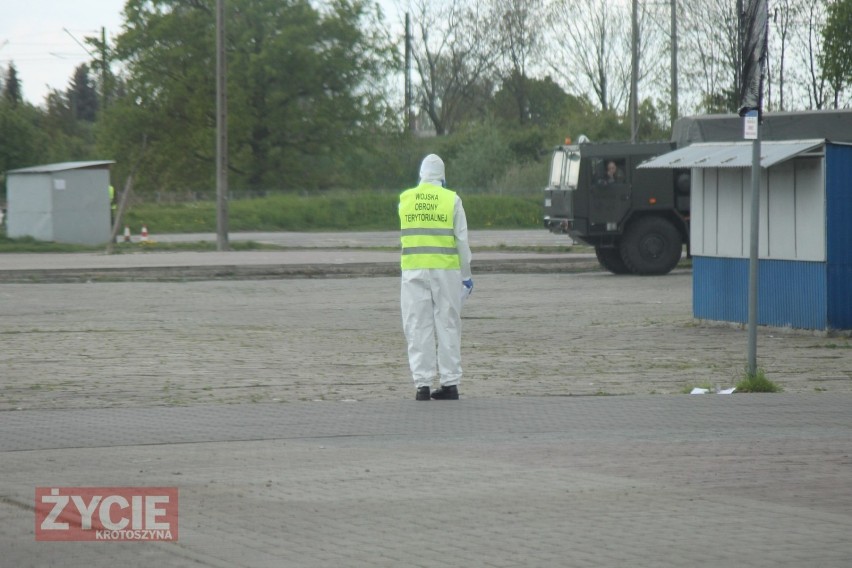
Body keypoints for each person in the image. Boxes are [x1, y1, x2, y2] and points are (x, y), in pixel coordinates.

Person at [399, 154, 473, 401]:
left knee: (417, 325)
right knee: (448, 324)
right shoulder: (452, 199)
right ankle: (450, 384)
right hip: (446, 271)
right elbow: (461, 241)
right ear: (442, 175)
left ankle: (422, 385)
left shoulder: (405, 199)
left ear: (421, 174)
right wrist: (467, 275)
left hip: (413, 271)